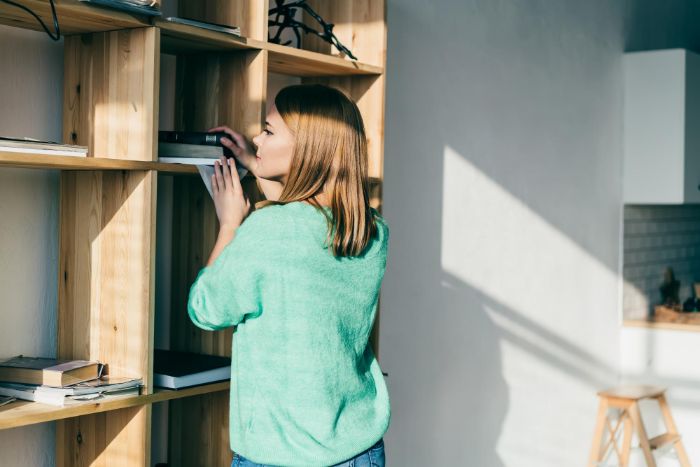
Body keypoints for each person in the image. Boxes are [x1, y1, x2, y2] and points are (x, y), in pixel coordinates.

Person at [187, 84, 390, 467]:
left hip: (282, 456)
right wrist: (259, 163)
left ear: (306, 149)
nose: (255, 138)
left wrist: (230, 225)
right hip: (360, 448)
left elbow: (206, 309)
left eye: (268, 130)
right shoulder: (374, 233)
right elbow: (304, 240)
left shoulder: (268, 230)